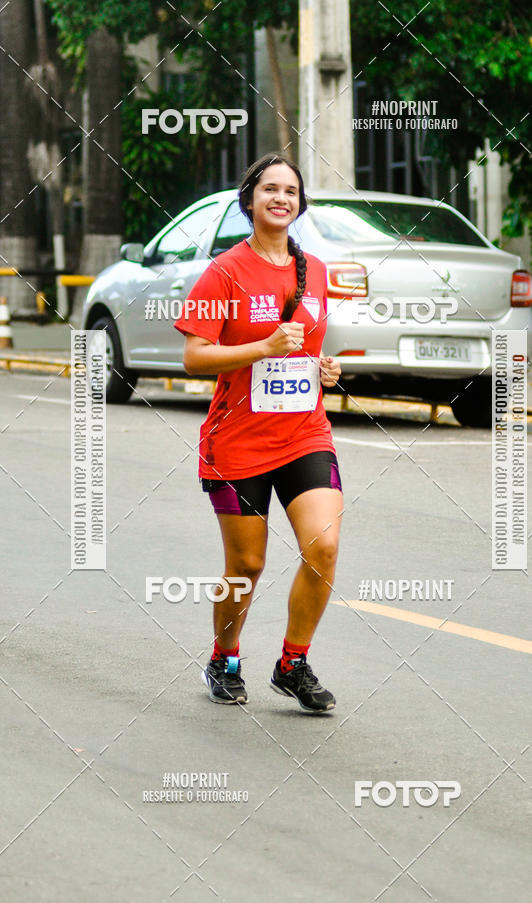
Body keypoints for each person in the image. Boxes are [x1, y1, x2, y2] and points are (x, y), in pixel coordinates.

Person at [174, 152, 343, 714]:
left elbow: (306, 345)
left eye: (291, 191)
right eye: (270, 189)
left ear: (300, 203)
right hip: (237, 440)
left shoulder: (314, 269)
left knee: (325, 545)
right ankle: (225, 656)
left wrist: (323, 367)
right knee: (246, 566)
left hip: (304, 433)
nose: (281, 198)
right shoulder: (225, 271)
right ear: (249, 200)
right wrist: (263, 349)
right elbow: (195, 357)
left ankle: (293, 663)